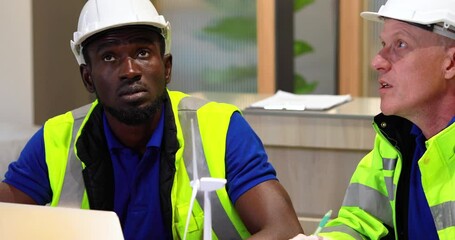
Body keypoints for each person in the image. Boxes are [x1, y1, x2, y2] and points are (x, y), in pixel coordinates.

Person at [0, 0, 304, 239]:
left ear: (167, 67)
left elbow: (286, 231)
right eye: (109, 57)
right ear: (87, 77)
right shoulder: (57, 138)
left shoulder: (220, 128)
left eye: (143, 52)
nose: (130, 70)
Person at [291, 0, 455, 239]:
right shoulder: (396, 140)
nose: (377, 61)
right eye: (383, 44)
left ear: (450, 63)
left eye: (401, 44)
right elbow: (361, 221)